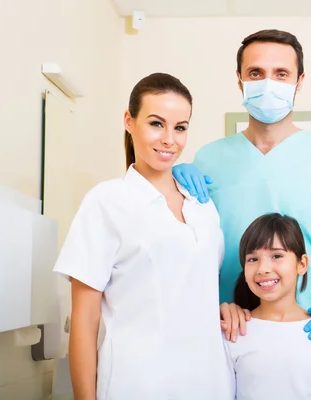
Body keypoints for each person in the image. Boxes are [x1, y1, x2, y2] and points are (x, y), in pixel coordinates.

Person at [173, 29, 311, 346]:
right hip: (230, 331)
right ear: (239, 80)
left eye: (281, 74)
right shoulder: (208, 160)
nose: (268, 83)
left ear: (299, 82)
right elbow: (181, 253)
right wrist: (166, 178)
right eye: (256, 73)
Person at [53, 72, 236, 399]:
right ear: (129, 121)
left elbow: (203, 287)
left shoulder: (203, 206)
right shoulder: (107, 202)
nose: (170, 139)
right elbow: (84, 320)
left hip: (210, 382)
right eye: (156, 123)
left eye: (180, 127)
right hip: (137, 384)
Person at [225, 213, 311, 399]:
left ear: (301, 264)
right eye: (253, 259)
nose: (263, 269)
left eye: (276, 255)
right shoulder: (233, 331)